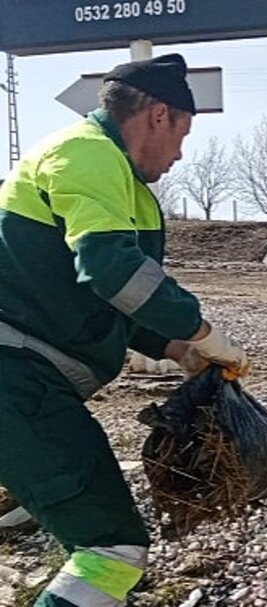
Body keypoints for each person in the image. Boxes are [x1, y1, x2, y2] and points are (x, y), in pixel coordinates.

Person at [0, 54, 249, 606]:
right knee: (111, 550)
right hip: (15, 381)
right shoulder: (86, 156)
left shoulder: (110, 174)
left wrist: (177, 349)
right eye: (184, 131)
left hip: (21, 378)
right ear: (159, 115)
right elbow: (112, 271)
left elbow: (93, 295)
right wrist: (203, 330)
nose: (182, 152)